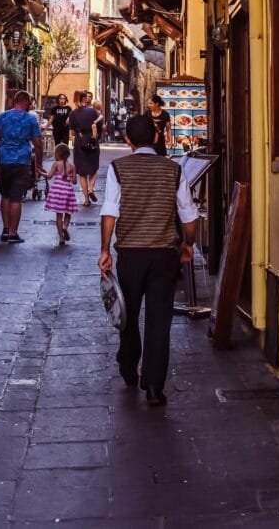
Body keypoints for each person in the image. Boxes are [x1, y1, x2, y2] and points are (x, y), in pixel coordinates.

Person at [98, 113, 198, 406]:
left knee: (127, 312)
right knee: (159, 319)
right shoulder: (173, 169)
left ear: (127, 139)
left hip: (130, 254)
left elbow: (110, 211)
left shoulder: (118, 168)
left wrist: (105, 249)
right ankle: (154, 386)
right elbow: (188, 214)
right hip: (164, 254)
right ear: (156, 137)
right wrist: (188, 244)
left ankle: (129, 366)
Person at [0, 89, 43, 244]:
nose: (31, 105)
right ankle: (13, 233)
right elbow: (38, 144)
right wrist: (39, 163)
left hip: (3, 160)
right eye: (30, 102)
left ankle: (5, 229)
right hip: (21, 161)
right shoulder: (31, 119)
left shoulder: (1, 117)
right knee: (16, 198)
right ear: (25, 102)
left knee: (5, 195)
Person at [70, 91, 103, 206]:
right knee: (93, 169)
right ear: (85, 99)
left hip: (80, 142)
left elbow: (72, 133)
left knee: (82, 173)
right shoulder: (92, 111)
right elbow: (100, 124)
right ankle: (91, 188)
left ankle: (86, 200)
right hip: (92, 141)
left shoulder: (73, 114)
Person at [44, 143, 78, 245]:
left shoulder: (56, 164)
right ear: (68, 154)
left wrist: (41, 173)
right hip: (67, 192)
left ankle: (61, 238)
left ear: (57, 154)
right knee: (68, 213)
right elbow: (74, 182)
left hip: (57, 191)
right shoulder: (72, 166)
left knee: (59, 215)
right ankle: (65, 227)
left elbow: (49, 176)